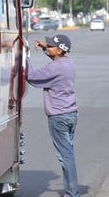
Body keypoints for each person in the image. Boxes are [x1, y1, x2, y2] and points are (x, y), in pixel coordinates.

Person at [25, 34, 80, 197]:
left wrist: (25, 56)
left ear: (58, 50)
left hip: (59, 117)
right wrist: (45, 48)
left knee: (65, 156)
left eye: (50, 46)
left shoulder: (55, 68)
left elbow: (32, 77)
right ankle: (70, 191)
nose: (46, 47)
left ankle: (72, 193)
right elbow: (55, 62)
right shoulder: (67, 63)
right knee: (68, 153)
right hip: (71, 114)